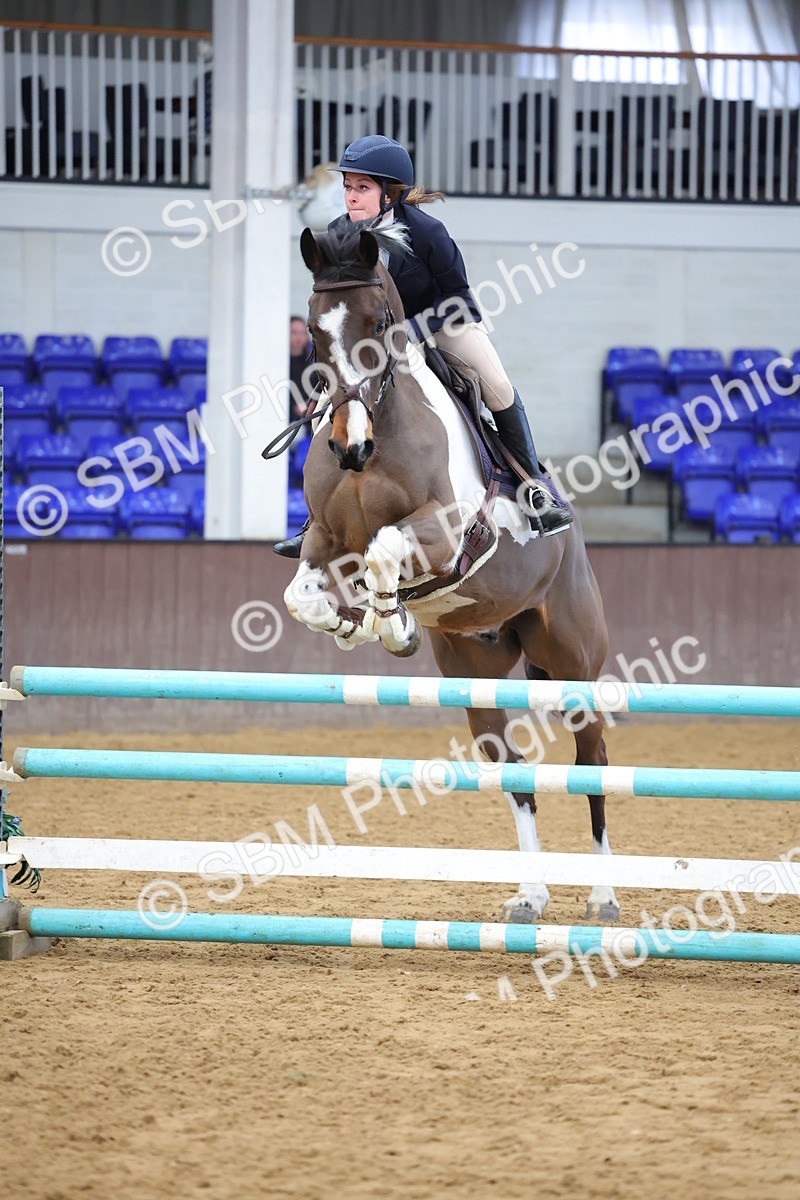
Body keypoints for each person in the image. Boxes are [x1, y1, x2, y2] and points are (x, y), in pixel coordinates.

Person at [273, 134, 572, 558]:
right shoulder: (339, 232)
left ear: (389, 193)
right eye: (348, 187)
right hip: (375, 336)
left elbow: (462, 298)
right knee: (334, 402)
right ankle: (314, 521)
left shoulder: (427, 231)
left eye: (362, 188)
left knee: (498, 387)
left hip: (438, 324)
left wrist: (413, 329)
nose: (351, 197)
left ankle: (532, 488)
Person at [288, 315, 316, 436]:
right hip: (288, 419)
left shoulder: (313, 362)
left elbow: (320, 388)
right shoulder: (279, 364)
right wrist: (295, 409)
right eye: (294, 332)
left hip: (309, 420)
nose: (299, 337)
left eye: (303, 333)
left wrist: (313, 404)